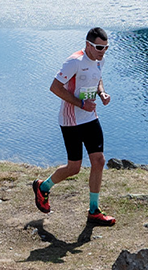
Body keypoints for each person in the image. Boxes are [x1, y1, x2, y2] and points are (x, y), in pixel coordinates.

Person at [32, 27, 115, 226]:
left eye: (106, 48)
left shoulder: (99, 59)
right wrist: (81, 104)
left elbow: (98, 77)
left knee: (99, 161)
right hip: (71, 120)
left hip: (90, 117)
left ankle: (94, 211)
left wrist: (102, 93)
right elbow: (55, 87)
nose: (102, 51)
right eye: (98, 47)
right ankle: (43, 187)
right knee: (74, 167)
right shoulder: (74, 62)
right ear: (88, 45)